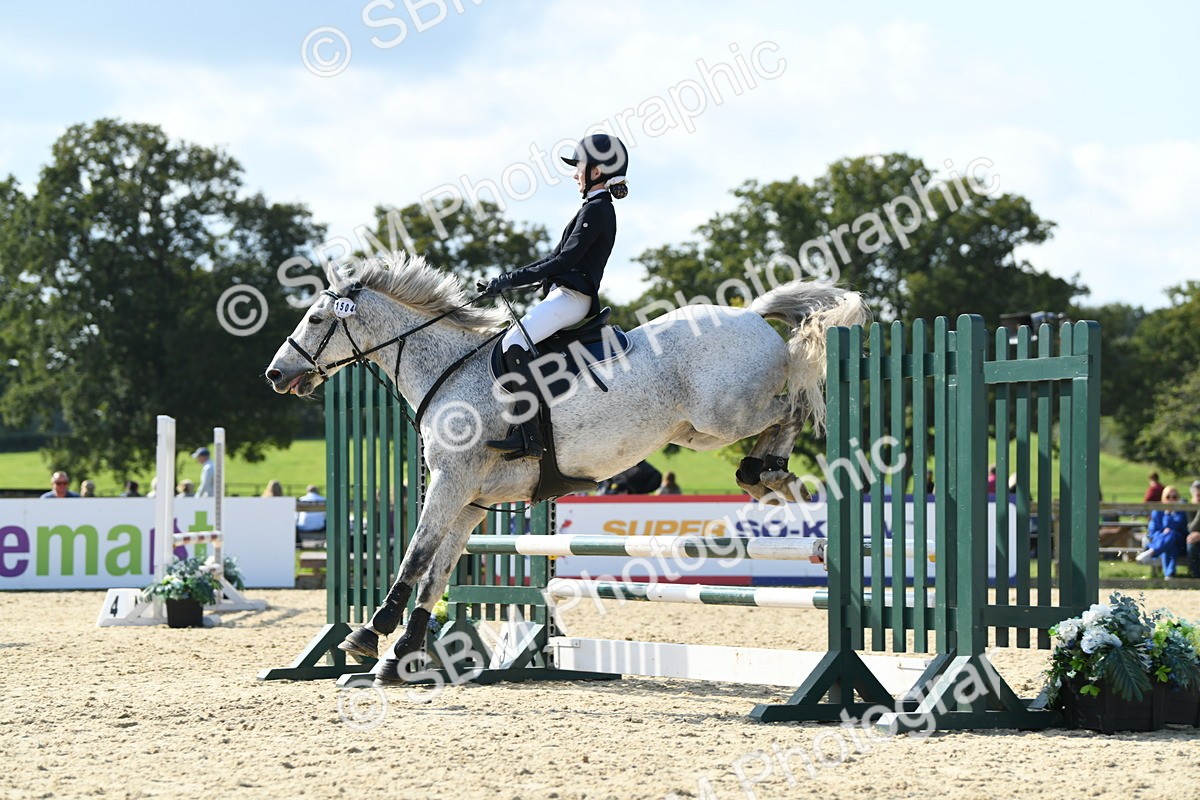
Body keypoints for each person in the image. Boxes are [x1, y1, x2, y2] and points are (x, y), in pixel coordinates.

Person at [479, 133, 629, 461]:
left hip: (573, 298)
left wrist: (506, 280)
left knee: (514, 343)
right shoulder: (592, 207)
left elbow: (563, 262)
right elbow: (553, 258)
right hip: (565, 295)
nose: (575, 174)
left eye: (580, 167)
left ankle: (530, 436)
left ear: (598, 170)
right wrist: (505, 281)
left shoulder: (598, 209)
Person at [1136, 485, 1188, 578]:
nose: (1171, 499)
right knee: (1170, 544)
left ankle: (1152, 551)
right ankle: (1170, 575)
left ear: (1178, 498)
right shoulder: (1157, 511)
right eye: (1168, 497)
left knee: (1172, 534)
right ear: (1163, 498)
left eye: (1174, 497)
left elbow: (1177, 526)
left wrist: (1168, 514)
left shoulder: (1181, 511)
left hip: (1180, 542)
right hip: (1165, 543)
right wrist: (1163, 535)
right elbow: (1152, 531)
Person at [1187, 480, 1200, 578]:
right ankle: (1196, 577)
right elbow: (1192, 528)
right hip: (1193, 538)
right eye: (1197, 495)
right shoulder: (1188, 507)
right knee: (1191, 543)